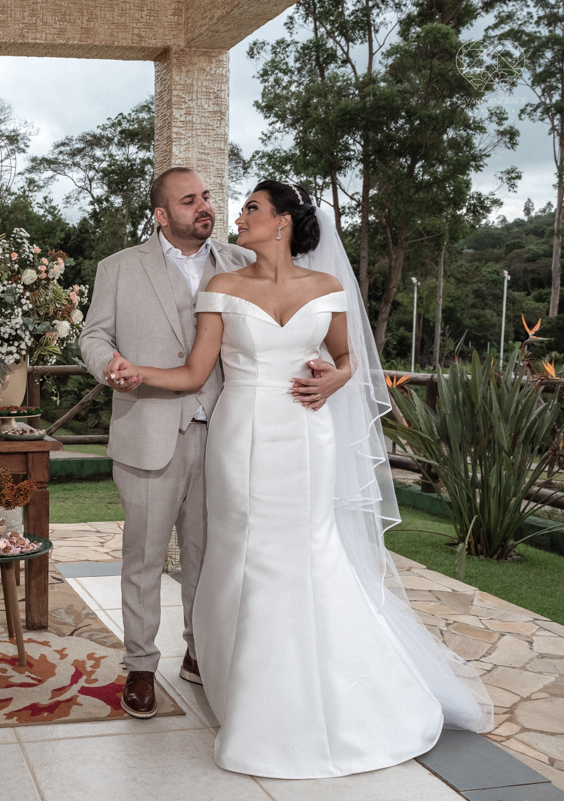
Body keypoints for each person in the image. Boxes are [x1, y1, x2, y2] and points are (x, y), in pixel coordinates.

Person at [110, 180, 493, 777]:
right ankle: (245, 682)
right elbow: (192, 374)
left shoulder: (328, 288)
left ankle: (328, 696)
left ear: (283, 222)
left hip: (307, 436)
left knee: (310, 551)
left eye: (252, 209)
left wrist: (335, 381)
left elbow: (347, 360)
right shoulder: (222, 285)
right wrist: (135, 373)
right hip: (238, 437)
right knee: (246, 551)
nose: (238, 216)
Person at [79, 168, 347, 719]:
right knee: (144, 559)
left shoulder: (239, 262)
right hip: (150, 429)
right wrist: (110, 367)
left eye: (207, 197)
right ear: (160, 214)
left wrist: (327, 372)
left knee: (213, 557)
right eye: (190, 201)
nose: (206, 207)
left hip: (231, 434)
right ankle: (141, 668)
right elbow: (93, 335)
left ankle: (204, 653)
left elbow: (284, 327)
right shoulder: (119, 268)